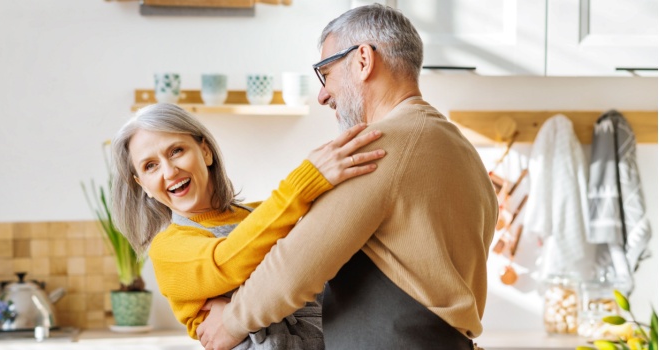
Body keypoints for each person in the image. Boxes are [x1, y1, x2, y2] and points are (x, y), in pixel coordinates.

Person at [196, 4, 498, 350]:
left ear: (363, 60)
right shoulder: (461, 150)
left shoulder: (380, 146)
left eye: (326, 72)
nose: (323, 94)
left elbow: (296, 263)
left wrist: (232, 321)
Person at [110, 103, 386, 349]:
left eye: (177, 151)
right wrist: (306, 182)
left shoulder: (260, 216)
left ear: (205, 151)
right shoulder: (168, 249)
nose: (169, 172)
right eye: (150, 166)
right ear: (142, 185)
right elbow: (229, 262)